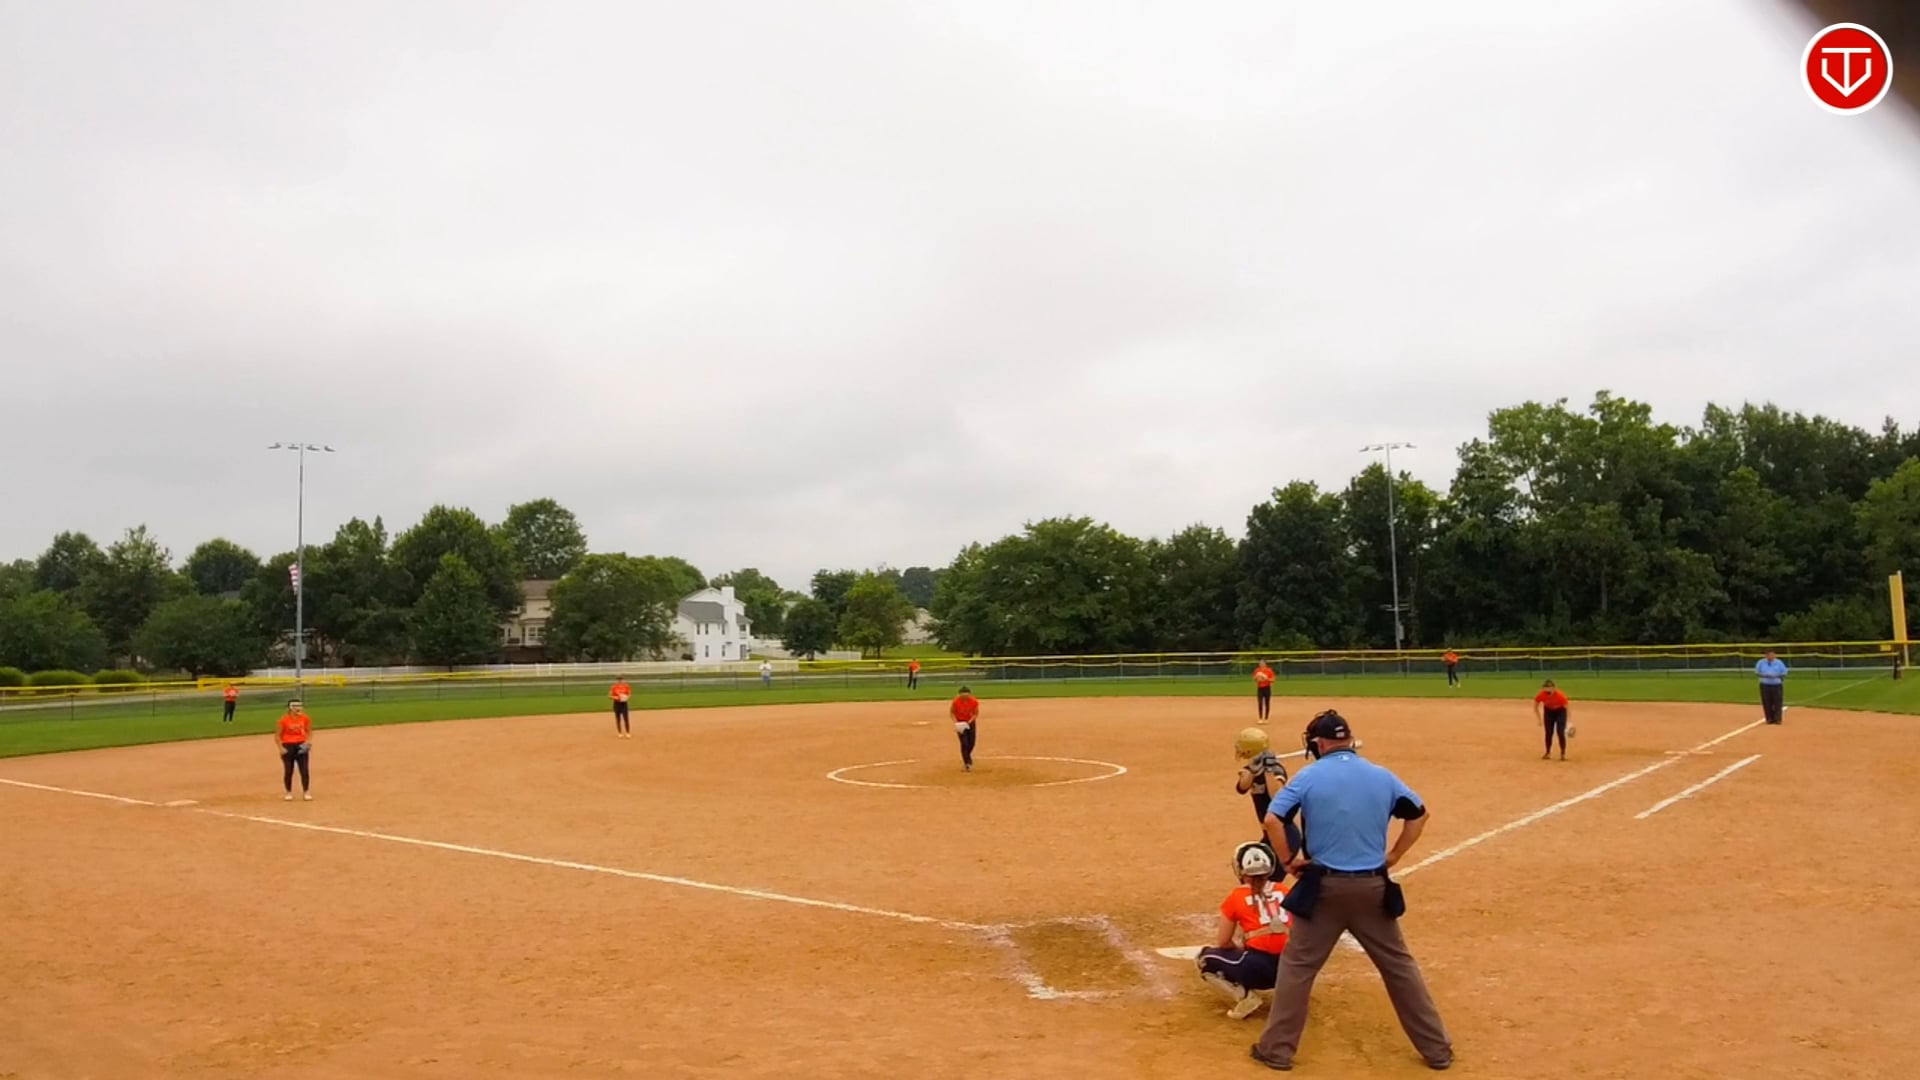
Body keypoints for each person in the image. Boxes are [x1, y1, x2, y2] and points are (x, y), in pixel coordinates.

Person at [1251, 710, 1452, 1072]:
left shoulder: (1309, 776)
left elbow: (1271, 819)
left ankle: (1276, 1050)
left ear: (1318, 743)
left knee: (1297, 968)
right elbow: (1418, 815)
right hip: (1372, 887)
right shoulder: (1381, 775)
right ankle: (1437, 1050)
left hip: (1323, 890)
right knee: (1399, 967)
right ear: (1348, 740)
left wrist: (1288, 860)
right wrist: (1394, 855)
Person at [1197, 842, 1293, 1020]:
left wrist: (1244, 948)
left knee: (1204, 959)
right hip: (1294, 969)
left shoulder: (1236, 896)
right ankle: (1293, 995)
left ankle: (1245, 997)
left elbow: (1224, 942)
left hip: (1260, 969)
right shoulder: (1285, 891)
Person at [1235, 726, 1303, 858]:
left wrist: (1268, 769)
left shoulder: (1275, 770)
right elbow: (1242, 788)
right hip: (1270, 835)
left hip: (1284, 836)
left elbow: (1277, 797)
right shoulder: (1252, 768)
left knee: (1268, 870)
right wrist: (1253, 770)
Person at [275, 700, 313, 801]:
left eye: (300, 706)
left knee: (304, 770)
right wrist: (281, 748)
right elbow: (277, 736)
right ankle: (288, 792)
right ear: (290, 708)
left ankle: (306, 791)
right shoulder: (283, 720)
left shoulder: (305, 718)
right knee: (288, 770)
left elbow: (309, 731)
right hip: (288, 745)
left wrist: (308, 742)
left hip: (301, 744)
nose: (298, 708)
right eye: (296, 706)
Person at [1533, 679, 1572, 760]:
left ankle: (1563, 754)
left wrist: (1568, 721)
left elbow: (1567, 708)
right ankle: (1547, 753)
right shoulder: (1541, 694)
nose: (1547, 690)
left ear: (1553, 688)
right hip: (1549, 712)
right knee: (1548, 732)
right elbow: (1535, 706)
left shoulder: (1560, 695)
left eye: (1549, 688)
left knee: (1560, 732)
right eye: (1545, 688)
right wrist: (1539, 719)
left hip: (1560, 712)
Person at [950, 685, 980, 772]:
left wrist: (969, 722)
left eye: (966, 695)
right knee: (964, 743)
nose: (964, 697)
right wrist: (956, 722)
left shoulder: (974, 701)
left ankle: (967, 756)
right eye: (962, 696)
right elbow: (952, 713)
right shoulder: (956, 702)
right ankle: (967, 763)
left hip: (970, 722)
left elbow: (975, 713)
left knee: (972, 743)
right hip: (960, 723)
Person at [1756, 649, 1788, 724]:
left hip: (1776, 685)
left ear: (1774, 655)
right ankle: (1769, 719)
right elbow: (1757, 672)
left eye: (1772, 655)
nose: (1770, 656)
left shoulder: (1779, 663)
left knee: (1777, 702)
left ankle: (1778, 719)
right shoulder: (1761, 662)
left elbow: (1784, 673)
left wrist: (1776, 676)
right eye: (1768, 655)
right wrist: (1765, 675)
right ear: (1766, 655)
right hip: (1765, 685)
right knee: (1766, 702)